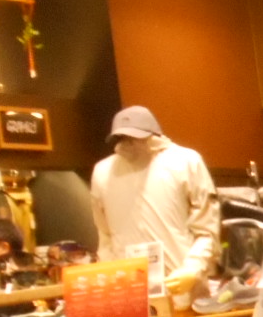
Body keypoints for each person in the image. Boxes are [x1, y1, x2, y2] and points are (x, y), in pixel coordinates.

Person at [89, 106, 220, 297]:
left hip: (181, 286)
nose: (129, 143)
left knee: (183, 308)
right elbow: (105, 235)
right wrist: (110, 281)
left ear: (153, 133)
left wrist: (193, 268)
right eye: (122, 137)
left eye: (135, 137)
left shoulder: (185, 162)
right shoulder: (103, 172)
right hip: (130, 293)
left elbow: (207, 229)